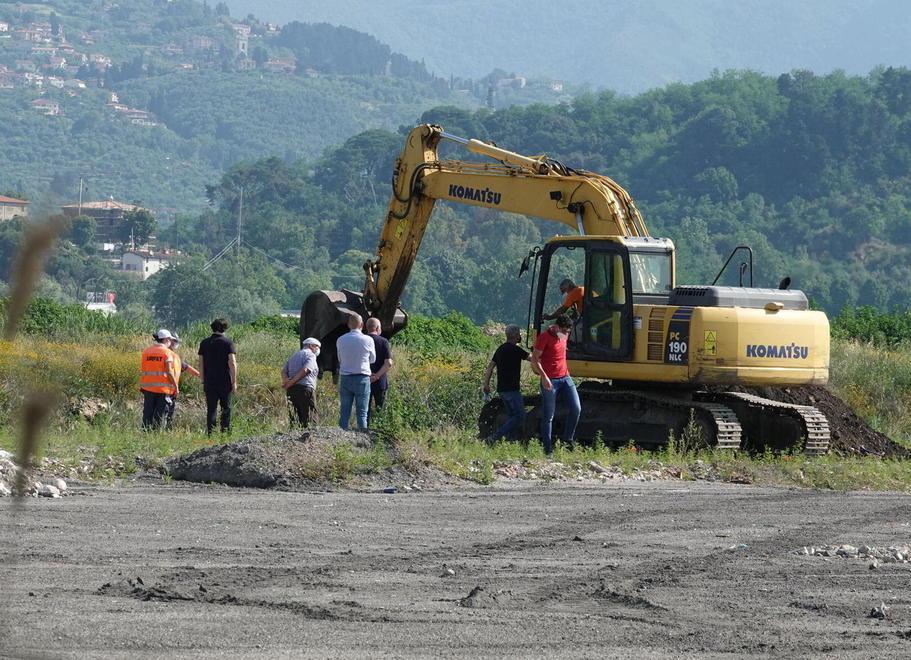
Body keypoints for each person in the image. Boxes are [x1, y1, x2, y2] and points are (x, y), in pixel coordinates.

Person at [530, 314, 581, 456]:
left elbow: (561, 355)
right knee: (549, 415)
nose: (566, 334)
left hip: (565, 378)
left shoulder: (563, 335)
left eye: (568, 332)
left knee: (576, 408)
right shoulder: (544, 337)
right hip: (550, 380)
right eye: (564, 331)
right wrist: (544, 377)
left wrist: (567, 374)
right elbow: (535, 359)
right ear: (557, 326)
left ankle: (567, 440)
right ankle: (548, 450)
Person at [482, 324, 529, 441]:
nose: (520, 336)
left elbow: (490, 367)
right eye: (519, 334)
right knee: (519, 416)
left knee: (512, 417)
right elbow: (532, 358)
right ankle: (494, 437)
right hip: (512, 390)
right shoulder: (516, 350)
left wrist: (486, 384)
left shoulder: (500, 349)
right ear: (516, 335)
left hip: (502, 390)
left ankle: (511, 440)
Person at [335, 314, 375, 431]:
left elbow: (340, 358)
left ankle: (341, 437)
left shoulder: (340, 340)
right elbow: (372, 359)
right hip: (362, 378)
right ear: (362, 325)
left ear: (348, 325)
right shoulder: (368, 340)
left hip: (346, 377)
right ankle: (362, 439)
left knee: (344, 412)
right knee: (362, 413)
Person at [198, 318, 237, 434]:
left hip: (209, 380)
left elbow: (201, 363)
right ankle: (225, 432)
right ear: (224, 329)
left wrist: (202, 379)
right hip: (225, 380)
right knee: (226, 407)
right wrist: (234, 381)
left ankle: (211, 433)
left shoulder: (204, 343)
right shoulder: (228, 343)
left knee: (211, 409)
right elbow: (232, 363)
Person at [140, 329, 179, 430]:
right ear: (166, 339)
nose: (171, 342)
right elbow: (169, 372)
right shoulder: (167, 353)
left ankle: (145, 433)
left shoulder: (146, 352)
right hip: (163, 389)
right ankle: (157, 435)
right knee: (160, 415)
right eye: (170, 339)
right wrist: (176, 386)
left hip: (148, 388)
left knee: (147, 413)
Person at [282, 337, 321, 429]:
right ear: (311, 345)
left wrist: (286, 381)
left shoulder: (294, 355)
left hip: (291, 390)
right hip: (305, 389)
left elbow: (283, 371)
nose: (318, 349)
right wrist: (291, 382)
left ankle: (294, 439)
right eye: (317, 347)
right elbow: (306, 370)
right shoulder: (310, 355)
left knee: (295, 419)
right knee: (310, 418)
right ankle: (309, 440)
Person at [165, 333, 199, 427]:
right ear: (169, 340)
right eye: (175, 341)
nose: (176, 344)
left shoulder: (174, 357)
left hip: (169, 389)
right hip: (166, 389)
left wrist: (201, 375)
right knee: (165, 413)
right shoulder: (167, 355)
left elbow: (188, 368)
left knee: (167, 413)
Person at [365, 317, 393, 420]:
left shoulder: (362, 340)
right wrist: (376, 376)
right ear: (377, 328)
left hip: (365, 379)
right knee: (379, 410)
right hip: (380, 381)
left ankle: (363, 431)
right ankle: (378, 431)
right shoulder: (383, 341)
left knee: (365, 411)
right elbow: (388, 363)